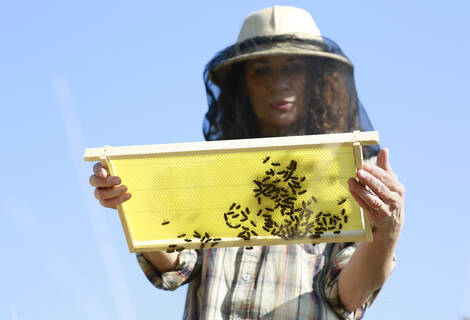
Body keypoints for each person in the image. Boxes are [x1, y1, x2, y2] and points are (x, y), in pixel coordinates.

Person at [89, 6, 404, 319]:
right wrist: (131, 202)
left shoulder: (357, 171)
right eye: (262, 70)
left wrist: (386, 230)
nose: (278, 83)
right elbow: (177, 266)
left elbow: (348, 296)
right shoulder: (211, 169)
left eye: (293, 67)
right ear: (242, 83)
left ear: (316, 79)